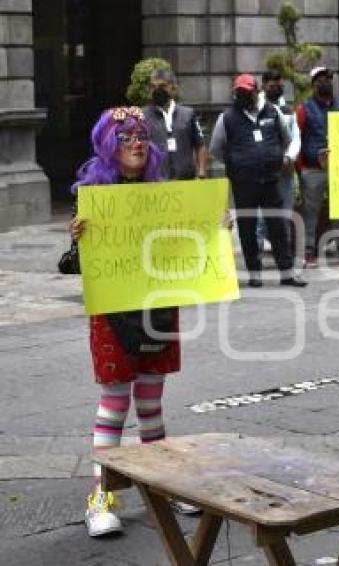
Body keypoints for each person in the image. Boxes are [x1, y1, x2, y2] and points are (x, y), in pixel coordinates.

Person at [69, 106, 199, 537]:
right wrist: (78, 240)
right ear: (109, 144)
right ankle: (101, 497)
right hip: (113, 311)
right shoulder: (94, 195)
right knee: (114, 405)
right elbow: (73, 265)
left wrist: (213, 228)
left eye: (141, 135)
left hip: (156, 307)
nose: (137, 143)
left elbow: (186, 249)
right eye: (125, 137)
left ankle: (161, 485)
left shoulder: (162, 194)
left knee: (150, 405)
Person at [209, 73, 306, 287]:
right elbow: (215, 149)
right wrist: (236, 161)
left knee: (278, 226)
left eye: (247, 92)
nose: (243, 96)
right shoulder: (227, 118)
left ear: (255, 91)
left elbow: (287, 138)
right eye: (239, 92)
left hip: (272, 180)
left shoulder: (273, 112)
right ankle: (254, 273)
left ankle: (287, 273)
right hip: (244, 183)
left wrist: (285, 158)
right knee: (247, 228)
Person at [295, 66, 339, 267]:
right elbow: (295, 140)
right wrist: (302, 169)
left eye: (329, 78)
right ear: (313, 84)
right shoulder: (303, 108)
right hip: (313, 169)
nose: (326, 81)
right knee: (311, 212)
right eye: (321, 79)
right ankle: (309, 251)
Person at [255, 69, 302, 272]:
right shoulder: (254, 107)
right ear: (263, 84)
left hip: (284, 172)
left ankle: (284, 257)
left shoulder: (288, 110)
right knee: (258, 217)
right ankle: (255, 258)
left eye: (278, 81)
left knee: (284, 215)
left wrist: (289, 158)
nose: (275, 84)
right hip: (260, 172)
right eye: (271, 81)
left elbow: (295, 137)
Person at [142, 68, 208, 180]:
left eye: (162, 86)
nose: (157, 90)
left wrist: (201, 171)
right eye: (153, 87)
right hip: (154, 182)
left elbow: (200, 144)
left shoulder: (188, 114)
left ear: (172, 88)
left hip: (186, 180)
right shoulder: (142, 115)